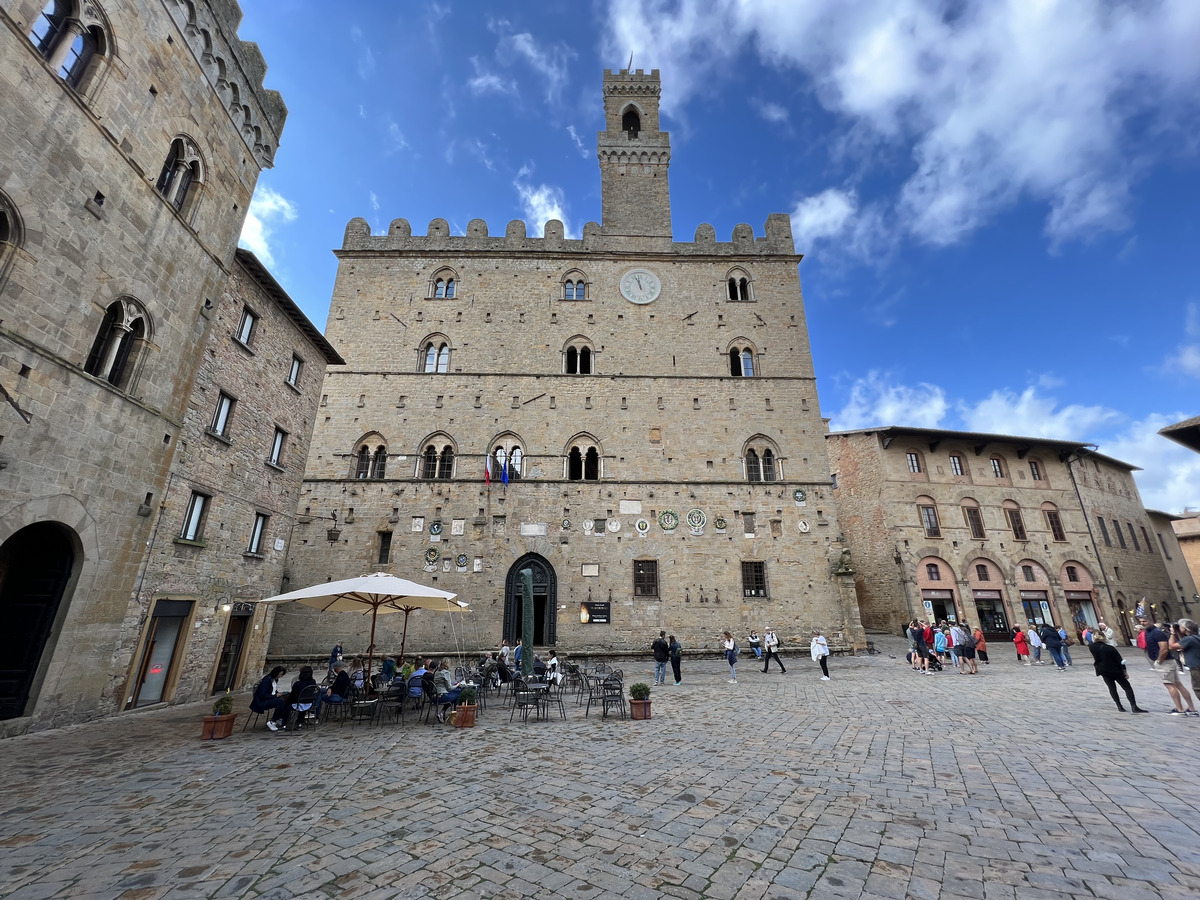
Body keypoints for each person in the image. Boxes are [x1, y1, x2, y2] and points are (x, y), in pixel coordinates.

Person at [1139, 616, 1197, 716]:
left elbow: (1164, 648)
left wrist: (1159, 661)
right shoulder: (1149, 632)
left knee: (1170, 685)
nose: (1143, 623)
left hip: (1165, 662)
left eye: (1145, 621)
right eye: (1141, 622)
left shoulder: (1157, 633)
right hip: (1166, 661)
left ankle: (1180, 709)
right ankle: (1191, 709)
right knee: (1177, 684)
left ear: (1151, 621)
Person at [1088, 632, 1146, 713]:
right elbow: (1120, 660)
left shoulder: (1091, 647)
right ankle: (1134, 706)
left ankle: (1119, 706)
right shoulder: (1110, 648)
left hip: (1103, 670)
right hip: (1115, 670)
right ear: (1104, 637)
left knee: (1112, 688)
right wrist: (1124, 671)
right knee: (1127, 687)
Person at [278, 665, 321, 730]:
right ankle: (299, 723)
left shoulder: (297, 684)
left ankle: (284, 724)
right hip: (309, 703)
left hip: (297, 703)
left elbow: (293, 696)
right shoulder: (312, 682)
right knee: (302, 703)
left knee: (287, 705)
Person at [1170, 619, 1200, 702]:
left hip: (1196, 668)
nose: (1179, 628)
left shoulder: (1189, 639)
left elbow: (1171, 646)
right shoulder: (1196, 637)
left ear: (1186, 628)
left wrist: (1173, 633)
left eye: (1180, 626)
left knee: (1198, 689)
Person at [252, 666, 290, 731]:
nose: (280, 676)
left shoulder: (275, 680)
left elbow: (273, 690)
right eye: (280, 674)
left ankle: (280, 718)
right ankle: (273, 721)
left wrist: (279, 694)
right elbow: (263, 695)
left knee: (286, 700)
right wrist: (275, 696)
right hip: (263, 701)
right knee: (280, 702)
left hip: (270, 698)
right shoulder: (266, 680)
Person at [433, 657, 466, 722]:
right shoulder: (446, 673)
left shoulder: (437, 672)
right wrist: (457, 685)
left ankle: (442, 712)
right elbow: (449, 688)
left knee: (455, 693)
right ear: (447, 664)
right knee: (458, 694)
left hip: (436, 696)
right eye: (450, 663)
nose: (450, 665)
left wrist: (453, 683)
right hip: (442, 696)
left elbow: (443, 683)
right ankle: (456, 715)